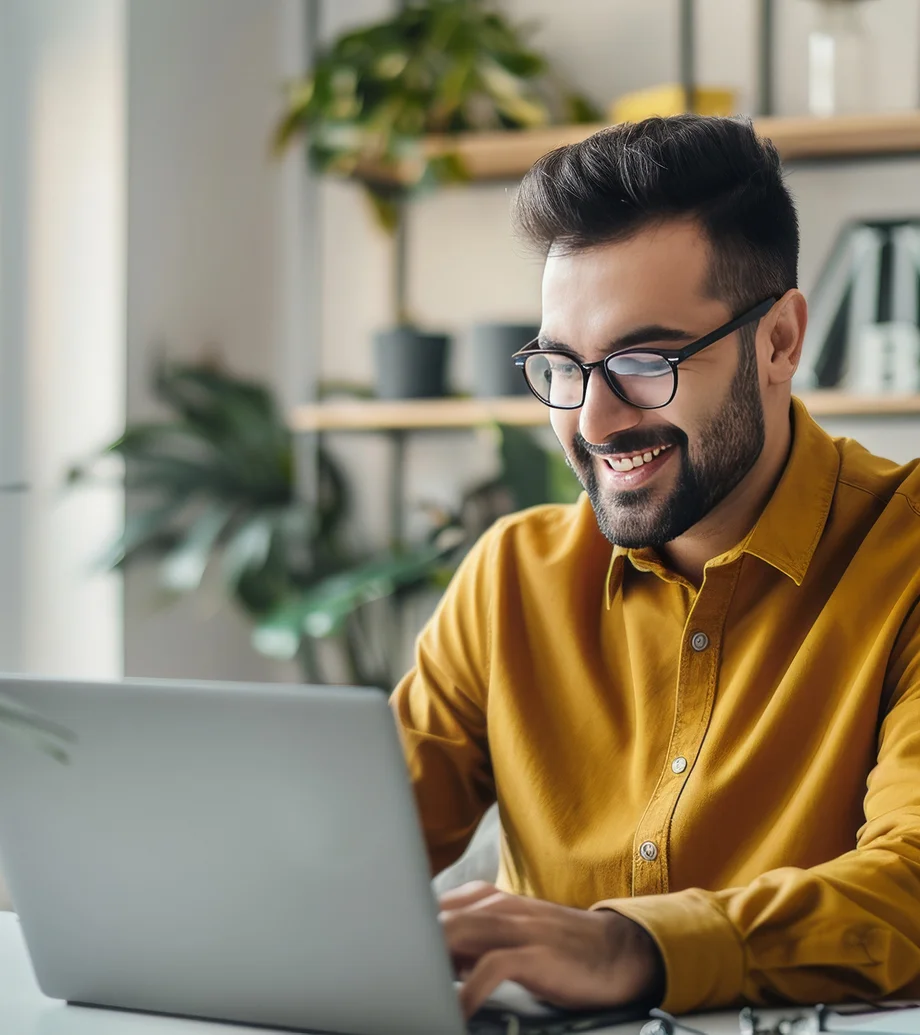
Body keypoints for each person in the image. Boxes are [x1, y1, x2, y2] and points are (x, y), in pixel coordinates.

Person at [391, 115, 920, 1021]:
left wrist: (629, 947)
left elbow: (909, 884)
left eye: (644, 360)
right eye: (562, 365)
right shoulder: (511, 577)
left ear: (779, 341)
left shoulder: (904, 558)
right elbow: (351, 855)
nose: (593, 422)